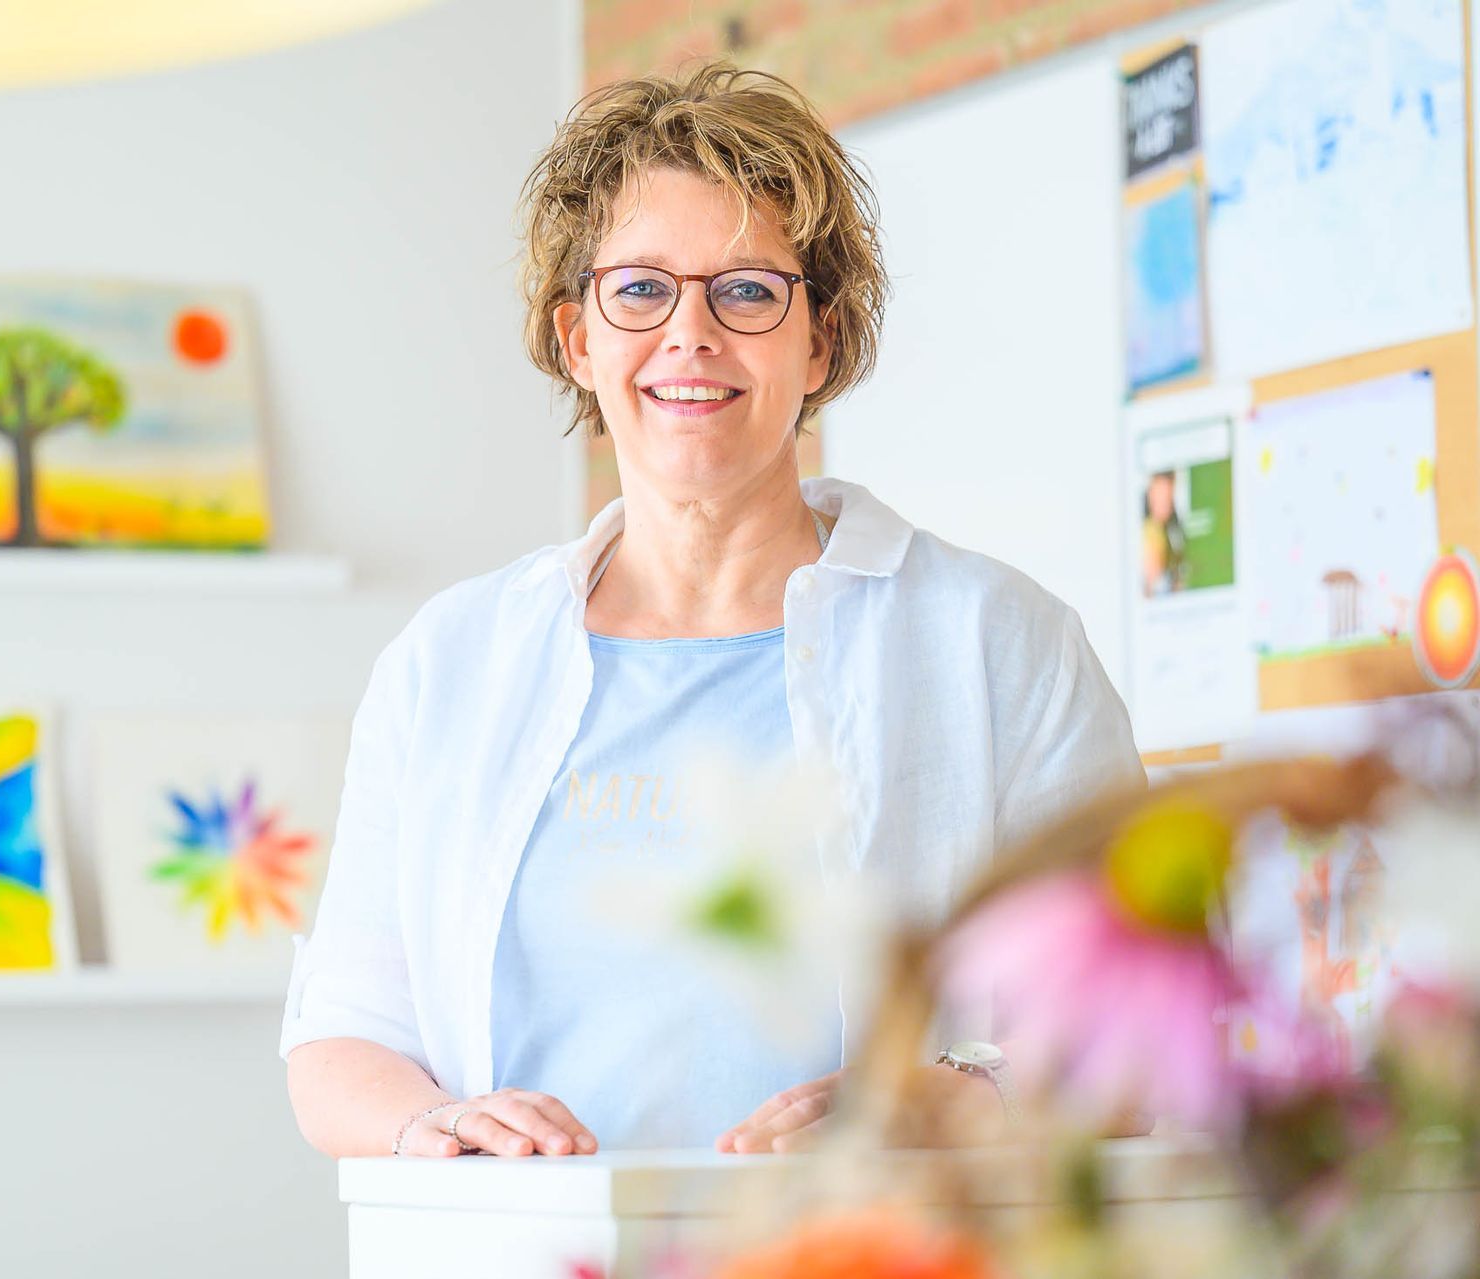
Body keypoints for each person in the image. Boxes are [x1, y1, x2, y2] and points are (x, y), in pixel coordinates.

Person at [281, 63, 1142, 1160]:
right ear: (578, 338)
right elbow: (341, 1038)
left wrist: (970, 1096)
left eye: (746, 290)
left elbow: (1148, 1024)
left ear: (819, 339)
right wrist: (432, 1123)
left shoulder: (997, 643)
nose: (690, 334)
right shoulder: (448, 662)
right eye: (640, 289)